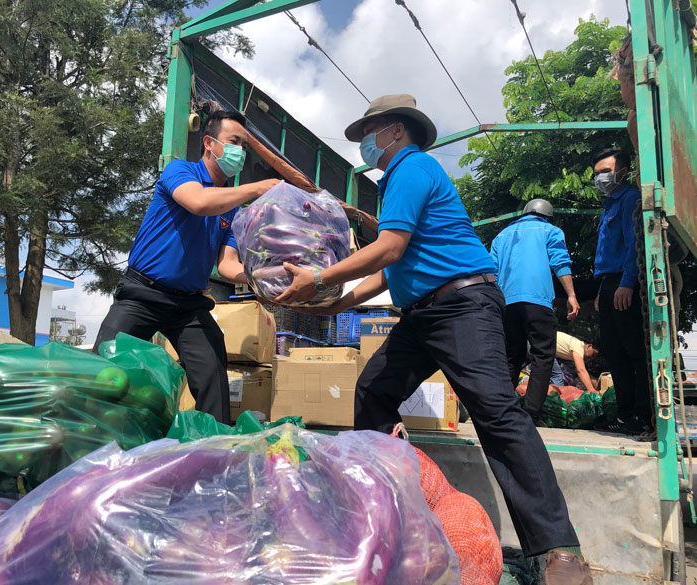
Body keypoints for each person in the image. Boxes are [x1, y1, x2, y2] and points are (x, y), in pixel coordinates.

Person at [277, 94, 592, 584]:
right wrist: (336, 303)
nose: (365, 145)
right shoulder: (396, 185)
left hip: (462, 306)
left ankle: (558, 551)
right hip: (422, 314)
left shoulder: (412, 169)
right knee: (373, 391)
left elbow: (388, 248)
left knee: (496, 412)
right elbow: (391, 268)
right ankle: (389, 506)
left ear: (396, 132)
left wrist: (319, 280)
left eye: (369, 133)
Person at [92, 110, 279, 424]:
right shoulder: (180, 171)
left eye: (244, 146)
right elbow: (199, 203)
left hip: (188, 306)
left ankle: (212, 447)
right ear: (209, 142)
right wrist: (257, 189)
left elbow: (227, 265)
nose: (240, 152)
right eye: (234, 142)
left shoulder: (231, 210)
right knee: (102, 369)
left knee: (212, 374)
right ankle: (83, 440)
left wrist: (262, 281)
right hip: (142, 293)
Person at [490, 198, 580, 425]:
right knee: (543, 357)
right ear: (548, 216)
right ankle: (530, 414)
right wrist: (571, 295)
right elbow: (560, 262)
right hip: (537, 302)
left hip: (507, 302)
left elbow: (492, 271)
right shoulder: (550, 230)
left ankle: (499, 412)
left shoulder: (502, 236)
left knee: (511, 357)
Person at [591, 148, 651, 435]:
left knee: (634, 351)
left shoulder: (631, 200)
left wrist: (628, 282)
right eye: (596, 174)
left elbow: (634, 245)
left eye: (604, 171)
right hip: (609, 284)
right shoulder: (608, 207)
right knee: (614, 353)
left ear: (623, 171)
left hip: (626, 281)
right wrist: (604, 290)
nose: (599, 178)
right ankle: (625, 415)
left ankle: (644, 415)